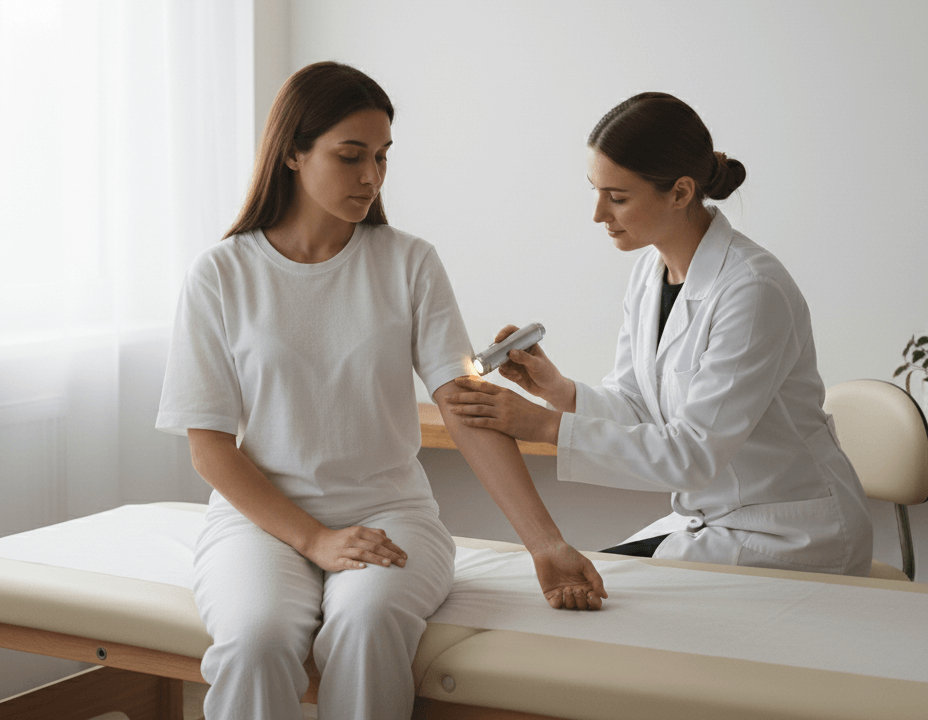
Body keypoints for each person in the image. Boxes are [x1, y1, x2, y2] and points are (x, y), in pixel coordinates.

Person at [155, 62, 605, 720]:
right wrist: (312, 539)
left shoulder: (407, 262)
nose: (371, 176)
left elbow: (466, 409)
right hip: (259, 523)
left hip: (390, 515)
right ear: (292, 153)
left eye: (382, 156)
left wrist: (545, 543)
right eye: (350, 156)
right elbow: (211, 450)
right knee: (256, 640)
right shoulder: (222, 274)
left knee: (365, 628)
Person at [447, 92, 873, 576]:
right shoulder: (651, 273)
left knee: (599, 592)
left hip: (788, 531)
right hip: (711, 520)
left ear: (680, 192)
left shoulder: (753, 291)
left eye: (618, 197)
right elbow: (636, 406)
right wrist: (559, 392)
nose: (597, 214)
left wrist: (541, 426)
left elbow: (690, 455)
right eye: (595, 190)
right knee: (587, 580)